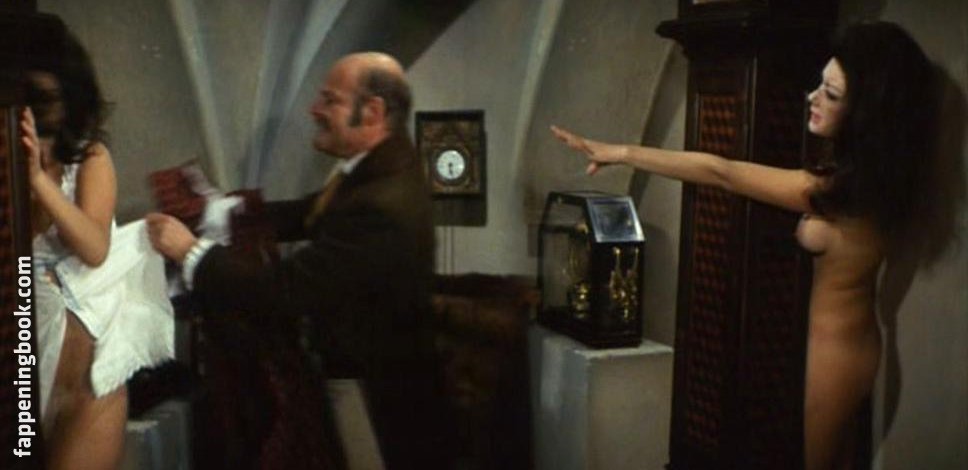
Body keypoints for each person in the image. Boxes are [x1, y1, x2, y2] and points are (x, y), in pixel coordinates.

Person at [551, 21, 938, 470]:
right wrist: (620, 154)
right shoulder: (865, 183)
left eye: (830, 94)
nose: (811, 97)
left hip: (839, 356)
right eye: (820, 85)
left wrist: (621, 153)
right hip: (845, 345)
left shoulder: (844, 196)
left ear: (865, 115)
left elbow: (723, 172)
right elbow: (724, 172)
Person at [147, 52, 448, 469]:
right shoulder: (376, 168)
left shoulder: (382, 203)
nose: (314, 110)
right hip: (369, 380)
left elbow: (286, 291)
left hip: (375, 398)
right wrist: (223, 212)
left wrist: (190, 252)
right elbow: (311, 212)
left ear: (373, 112)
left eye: (330, 100)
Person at [22, 31, 174, 469]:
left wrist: (39, 181)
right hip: (24, 371)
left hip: (88, 386)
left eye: (48, 100)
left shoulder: (90, 157)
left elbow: (93, 247)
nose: (39, 113)